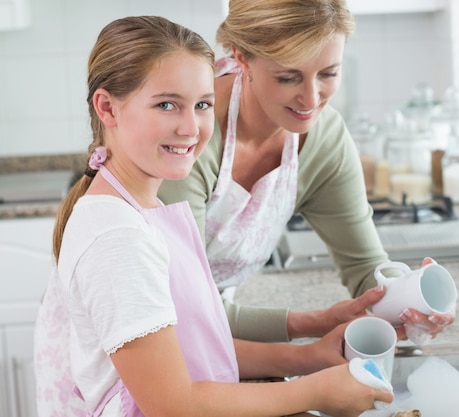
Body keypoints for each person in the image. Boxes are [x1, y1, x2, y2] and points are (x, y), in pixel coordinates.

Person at [33, 15, 393, 417]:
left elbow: (192, 349)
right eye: (166, 104)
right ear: (107, 108)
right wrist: (313, 392)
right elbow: (173, 402)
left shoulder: (146, 210)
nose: (191, 127)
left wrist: (308, 358)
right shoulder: (119, 238)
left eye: (203, 104)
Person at [158, 0, 455, 343]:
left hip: (218, 328)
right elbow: (186, 303)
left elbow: (365, 269)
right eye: (288, 77)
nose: (311, 99)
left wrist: (411, 303)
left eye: (329, 73)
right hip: (144, 334)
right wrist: (317, 322)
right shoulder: (186, 136)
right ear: (241, 57)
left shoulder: (325, 140)